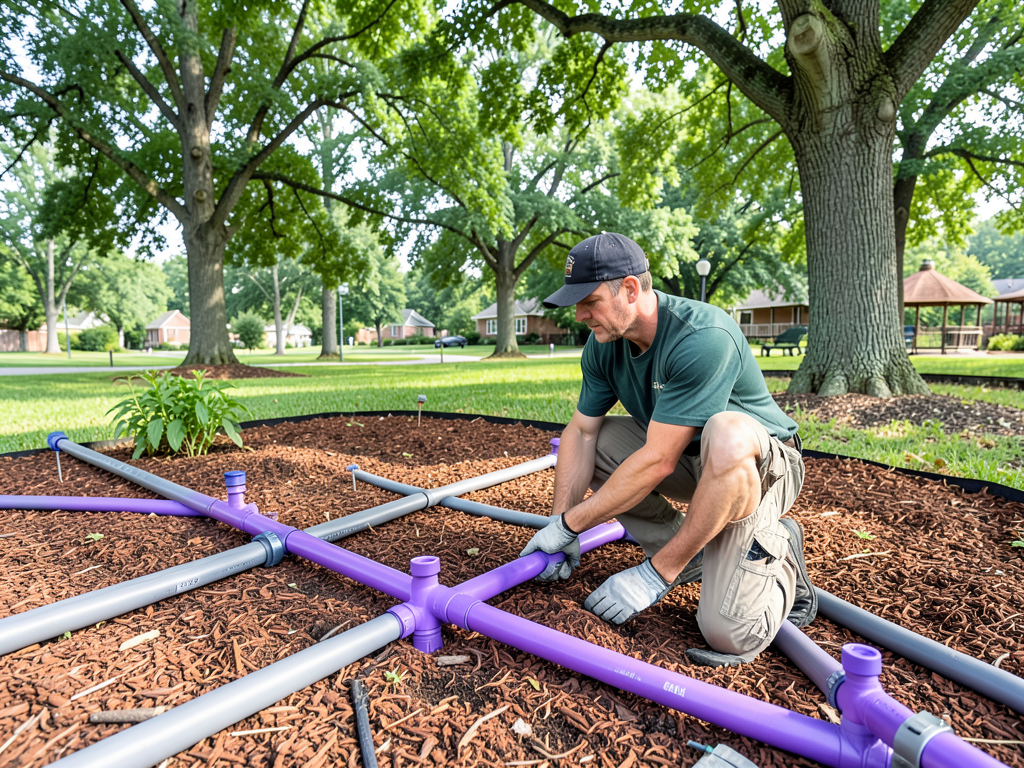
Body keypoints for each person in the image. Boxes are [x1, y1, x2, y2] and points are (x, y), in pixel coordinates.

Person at [519, 232, 816, 667]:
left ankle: (778, 553)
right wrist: (559, 524)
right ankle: (689, 549)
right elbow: (581, 433)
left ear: (631, 289)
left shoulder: (704, 335)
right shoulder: (604, 346)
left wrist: (651, 574)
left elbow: (658, 461)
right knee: (596, 438)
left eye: (591, 301)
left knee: (730, 633)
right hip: (692, 462)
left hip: (758, 468)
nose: (580, 315)